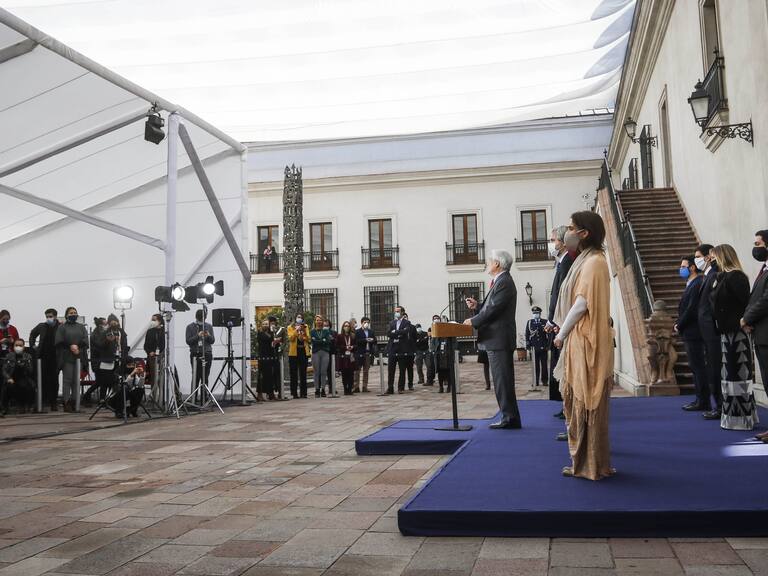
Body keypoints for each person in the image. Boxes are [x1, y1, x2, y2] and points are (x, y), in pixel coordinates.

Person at [552, 212, 614, 480]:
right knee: (579, 402)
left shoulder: (593, 262)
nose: (567, 232)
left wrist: (562, 333)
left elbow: (581, 304)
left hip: (586, 341)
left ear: (584, 233)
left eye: (571, 227)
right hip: (582, 338)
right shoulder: (590, 260)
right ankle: (587, 461)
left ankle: (589, 464)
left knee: (584, 401)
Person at [464, 249, 521, 429]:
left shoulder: (504, 282)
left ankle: (509, 418)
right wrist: (478, 306)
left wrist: (473, 320)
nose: (487, 264)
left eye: (490, 261)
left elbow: (494, 309)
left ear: (497, 264)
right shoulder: (500, 281)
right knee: (501, 381)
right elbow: (491, 307)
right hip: (496, 339)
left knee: (502, 381)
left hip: (499, 340)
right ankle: (509, 417)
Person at [710, 244, 757, 430]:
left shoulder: (737, 276)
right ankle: (731, 417)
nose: (712, 261)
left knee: (738, 375)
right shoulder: (721, 277)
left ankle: (742, 419)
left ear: (723, 257)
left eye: (714, 257)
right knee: (728, 376)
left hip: (737, 333)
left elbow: (746, 303)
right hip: (726, 332)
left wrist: (744, 322)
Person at [545, 225, 576, 416]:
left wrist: (553, 321)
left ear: (564, 243)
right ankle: (566, 405)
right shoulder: (562, 262)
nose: (551, 244)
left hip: (561, 322)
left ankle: (569, 406)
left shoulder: (566, 263)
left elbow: (561, 296)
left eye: (553, 240)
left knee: (564, 366)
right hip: (558, 321)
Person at [742, 230, 768, 441]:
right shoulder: (764, 269)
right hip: (761, 334)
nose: (755, 248)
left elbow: (766, 300)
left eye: (758, 244)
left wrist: (746, 319)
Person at [675, 256, 709, 411]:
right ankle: (699, 399)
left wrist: (679, 324)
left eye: (683, 266)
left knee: (698, 366)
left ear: (692, 268)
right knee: (695, 366)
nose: (681, 269)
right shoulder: (691, 283)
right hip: (689, 331)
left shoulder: (697, 283)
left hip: (694, 331)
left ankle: (703, 400)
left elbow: (691, 309)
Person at [696, 243, 724, 419]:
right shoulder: (706, 276)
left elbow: (713, 304)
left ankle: (720, 406)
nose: (696, 260)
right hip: (706, 330)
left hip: (712, 329)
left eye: (698, 256)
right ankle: (717, 405)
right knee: (711, 369)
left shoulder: (714, 274)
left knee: (715, 369)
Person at [55, 307, 88, 412]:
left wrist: (77, 346)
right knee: (67, 380)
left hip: (79, 356)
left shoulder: (81, 327)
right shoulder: (62, 327)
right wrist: (70, 346)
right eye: (71, 313)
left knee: (76, 381)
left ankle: (75, 401)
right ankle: (66, 402)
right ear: (66, 315)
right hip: (67, 357)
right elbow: (59, 341)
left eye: (75, 312)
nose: (73, 314)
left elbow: (85, 340)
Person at [29, 308, 61, 411]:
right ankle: (41, 402)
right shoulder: (41, 326)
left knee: (54, 380)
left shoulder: (61, 326)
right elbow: (32, 334)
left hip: (55, 357)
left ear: (55, 316)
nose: (48, 318)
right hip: (42, 357)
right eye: (47, 316)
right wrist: (33, 346)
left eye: (50, 316)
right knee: (42, 380)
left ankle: (53, 402)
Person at [186, 309, 215, 400]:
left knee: (205, 376)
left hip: (207, 353)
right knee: (196, 376)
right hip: (195, 354)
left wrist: (208, 335)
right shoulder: (190, 327)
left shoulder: (208, 326)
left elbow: (212, 341)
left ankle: (204, 397)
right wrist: (197, 336)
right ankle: (193, 398)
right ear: (196, 317)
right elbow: (188, 341)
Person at [1, 339, 35, 415]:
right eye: (16, 345)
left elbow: (30, 370)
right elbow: (4, 370)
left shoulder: (27, 356)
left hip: (23, 378)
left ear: (23, 347)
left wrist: (25, 365)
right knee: (8, 386)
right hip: (11, 378)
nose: (18, 347)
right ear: (13, 346)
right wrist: (8, 378)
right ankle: (4, 407)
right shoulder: (9, 356)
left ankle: (22, 405)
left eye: (20, 345)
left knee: (25, 386)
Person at [386, 306, 411, 394]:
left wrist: (395, 332)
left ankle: (401, 388)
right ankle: (390, 388)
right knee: (391, 369)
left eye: (398, 311)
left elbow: (405, 332)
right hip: (392, 348)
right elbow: (388, 333)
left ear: (402, 312)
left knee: (402, 369)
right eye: (395, 311)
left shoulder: (406, 322)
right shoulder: (391, 322)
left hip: (402, 348)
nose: (396, 313)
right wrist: (398, 333)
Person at [287, 313, 310, 398]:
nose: (299, 318)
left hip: (303, 351)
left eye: (300, 317)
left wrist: (303, 334)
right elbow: (291, 338)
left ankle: (303, 393)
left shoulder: (306, 326)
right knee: (293, 373)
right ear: (295, 318)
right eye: (298, 317)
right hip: (293, 353)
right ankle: (294, 393)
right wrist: (296, 331)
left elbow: (308, 338)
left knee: (303, 373)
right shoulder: (290, 327)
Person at [526, 306, 549, 387]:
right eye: (534, 313)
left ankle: (545, 381)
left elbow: (548, 334)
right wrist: (528, 345)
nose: (535, 314)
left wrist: (548, 345)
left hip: (543, 347)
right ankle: (535, 381)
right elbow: (527, 334)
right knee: (535, 365)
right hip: (534, 347)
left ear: (540, 314)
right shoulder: (530, 322)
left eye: (537, 313)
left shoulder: (545, 322)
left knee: (544, 365)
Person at [144, 313, 165, 397]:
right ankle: (154, 396)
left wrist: (160, 353)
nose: (152, 321)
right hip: (152, 357)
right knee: (153, 377)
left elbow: (165, 344)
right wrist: (150, 352)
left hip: (162, 357)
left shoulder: (164, 331)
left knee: (162, 377)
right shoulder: (150, 331)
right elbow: (145, 345)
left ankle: (163, 397)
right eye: (152, 320)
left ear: (159, 321)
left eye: (154, 320)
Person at [257, 320, 278, 401]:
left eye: (266, 324)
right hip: (263, 357)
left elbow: (273, 342)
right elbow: (268, 339)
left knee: (270, 376)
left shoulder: (271, 333)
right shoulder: (260, 333)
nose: (265, 325)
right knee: (261, 376)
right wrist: (273, 335)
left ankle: (270, 393)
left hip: (270, 356)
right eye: (264, 324)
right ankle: (259, 394)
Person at [311, 315, 332, 397]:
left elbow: (328, 341)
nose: (318, 321)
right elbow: (313, 342)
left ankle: (323, 389)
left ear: (322, 321)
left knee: (323, 371)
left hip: (325, 352)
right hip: (315, 352)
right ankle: (317, 389)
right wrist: (322, 340)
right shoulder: (312, 331)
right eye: (317, 320)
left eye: (320, 320)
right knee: (316, 372)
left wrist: (318, 340)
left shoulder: (326, 331)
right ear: (315, 321)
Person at [354, 316, 376, 392]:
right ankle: (356, 387)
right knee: (357, 371)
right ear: (362, 323)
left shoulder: (371, 331)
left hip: (367, 353)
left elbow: (375, 340)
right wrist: (365, 340)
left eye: (368, 322)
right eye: (365, 322)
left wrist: (372, 340)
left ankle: (364, 386)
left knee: (366, 371)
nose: (366, 324)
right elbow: (356, 341)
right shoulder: (357, 331)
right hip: (359, 353)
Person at [336, 321, 356, 395]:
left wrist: (352, 347)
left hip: (351, 356)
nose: (346, 327)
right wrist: (345, 347)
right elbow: (337, 346)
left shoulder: (353, 336)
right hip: (343, 357)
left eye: (348, 326)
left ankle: (350, 389)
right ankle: (345, 389)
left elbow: (356, 345)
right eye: (345, 326)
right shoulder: (340, 336)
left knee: (351, 373)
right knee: (344, 374)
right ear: (343, 327)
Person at [269, 316, 286, 399]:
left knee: (279, 374)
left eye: (273, 321)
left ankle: (280, 392)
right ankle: (270, 393)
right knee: (270, 375)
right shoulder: (267, 331)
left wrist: (280, 348)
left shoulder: (281, 329)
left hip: (278, 354)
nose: (272, 323)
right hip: (269, 355)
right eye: (270, 322)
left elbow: (284, 341)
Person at [403, 313, 417, 390]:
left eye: (406, 317)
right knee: (402, 369)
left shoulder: (412, 327)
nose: (405, 318)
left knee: (410, 369)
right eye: (403, 317)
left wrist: (414, 349)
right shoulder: (400, 327)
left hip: (411, 351)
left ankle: (410, 384)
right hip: (402, 351)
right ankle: (402, 385)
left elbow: (415, 338)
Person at [426, 314, 441, 386]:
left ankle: (444, 380)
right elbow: (430, 338)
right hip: (431, 350)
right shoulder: (430, 328)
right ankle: (430, 380)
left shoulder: (442, 327)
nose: (436, 320)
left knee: (441, 365)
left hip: (439, 349)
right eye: (435, 319)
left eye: (437, 318)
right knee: (430, 366)